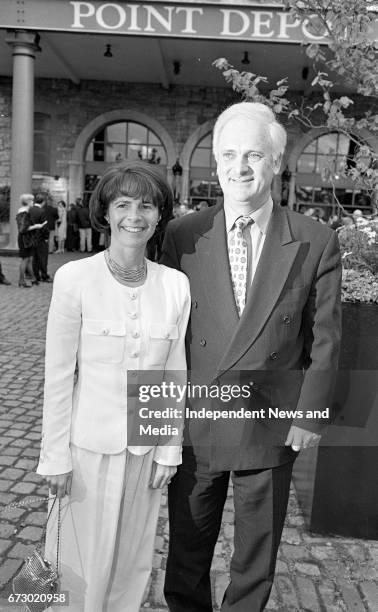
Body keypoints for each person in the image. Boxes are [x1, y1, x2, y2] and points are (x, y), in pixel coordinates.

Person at [161, 102, 342, 612]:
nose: (240, 167)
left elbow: (325, 338)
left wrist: (310, 414)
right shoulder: (182, 235)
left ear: (277, 161)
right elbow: (158, 332)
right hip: (197, 421)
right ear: (215, 162)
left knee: (256, 556)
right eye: (228, 154)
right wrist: (149, 425)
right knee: (187, 547)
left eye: (254, 155)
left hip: (269, 419)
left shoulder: (315, 240)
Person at [36, 160, 191, 612]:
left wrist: (168, 449)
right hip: (85, 449)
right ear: (105, 213)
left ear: (160, 215)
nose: (134, 216)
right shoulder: (74, 278)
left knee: (130, 560)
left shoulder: (175, 285)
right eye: (123, 204)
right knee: (69, 557)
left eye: (146, 205)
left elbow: (172, 371)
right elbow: (60, 373)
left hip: (143, 451)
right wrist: (55, 457)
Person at [16, 193, 46, 287]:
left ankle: (33, 279)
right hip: (25, 239)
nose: (33, 202)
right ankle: (21, 281)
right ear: (28, 201)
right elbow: (22, 229)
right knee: (25, 259)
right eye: (32, 200)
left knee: (28, 259)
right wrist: (36, 226)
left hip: (27, 239)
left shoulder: (24, 211)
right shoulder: (23, 212)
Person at [29, 193, 52, 282]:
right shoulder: (41, 211)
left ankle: (36, 275)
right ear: (43, 201)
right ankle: (44, 275)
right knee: (42, 258)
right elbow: (44, 226)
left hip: (31, 237)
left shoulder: (29, 210)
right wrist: (46, 237)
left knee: (34, 258)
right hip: (40, 238)